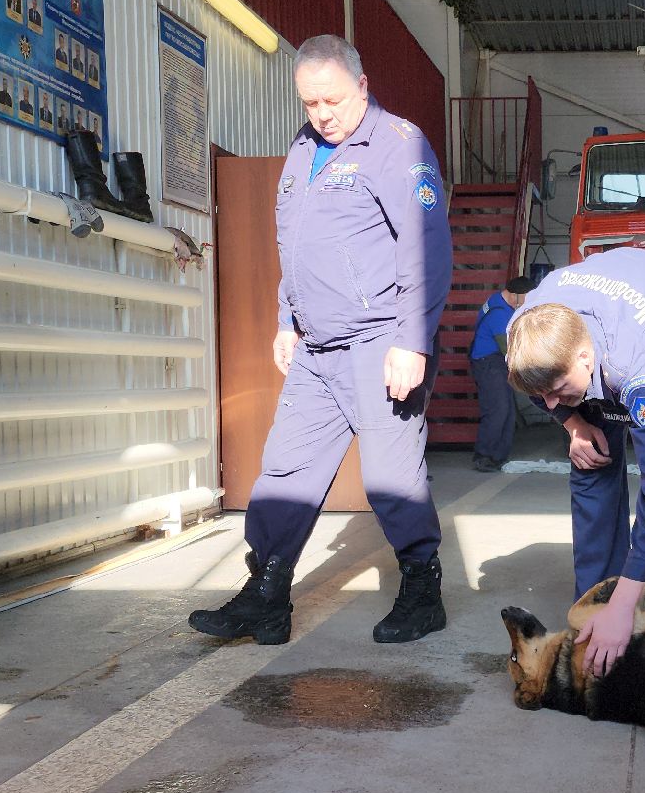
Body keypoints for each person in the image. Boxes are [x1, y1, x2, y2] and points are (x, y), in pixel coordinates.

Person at [189, 34, 453, 647]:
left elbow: (427, 249)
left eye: (331, 101)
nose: (322, 115)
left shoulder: (398, 146)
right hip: (317, 348)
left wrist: (412, 340)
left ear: (363, 86)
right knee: (285, 473)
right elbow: (294, 245)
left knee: (391, 476)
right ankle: (268, 595)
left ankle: (422, 589)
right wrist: (288, 319)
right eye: (309, 104)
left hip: (380, 340)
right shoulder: (302, 151)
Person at [503, 247, 645, 676]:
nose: (548, 403)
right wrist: (571, 422)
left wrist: (628, 605)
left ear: (585, 358)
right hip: (610, 312)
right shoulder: (528, 332)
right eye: (542, 394)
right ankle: (594, 617)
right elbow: (543, 385)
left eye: (559, 389)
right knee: (592, 462)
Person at [468, 275, 534, 471]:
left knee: (506, 410)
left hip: (493, 362)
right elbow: (510, 350)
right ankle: (483, 456)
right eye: (526, 299)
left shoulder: (497, 301)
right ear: (515, 296)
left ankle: (498, 456)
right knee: (497, 410)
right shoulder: (499, 314)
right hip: (489, 363)